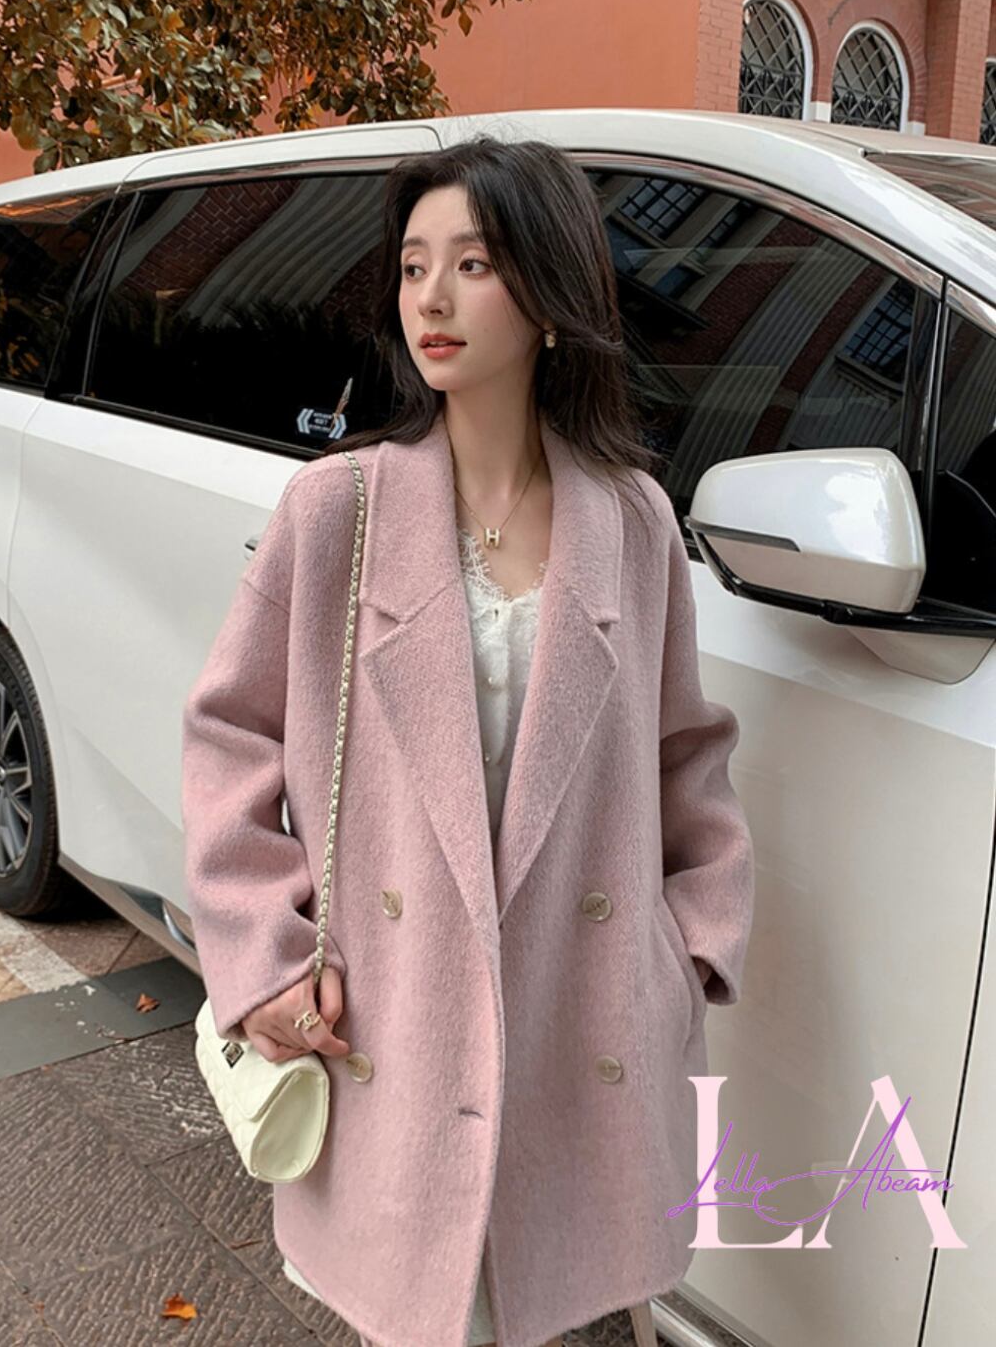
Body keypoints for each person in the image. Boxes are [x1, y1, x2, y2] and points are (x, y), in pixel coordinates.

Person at [180, 133, 755, 1347]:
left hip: (578, 1016)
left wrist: (686, 951)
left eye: (474, 264)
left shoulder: (633, 522)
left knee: (551, 1298)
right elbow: (230, 733)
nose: (431, 298)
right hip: (396, 1018)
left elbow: (685, 752)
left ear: (549, 295)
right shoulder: (338, 510)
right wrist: (266, 958)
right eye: (412, 266)